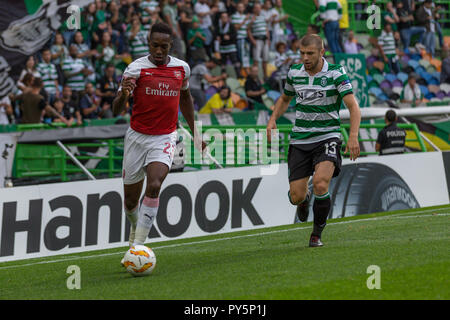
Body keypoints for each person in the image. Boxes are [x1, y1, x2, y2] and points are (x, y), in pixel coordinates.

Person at [112, 23, 205, 264]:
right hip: (136, 137)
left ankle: (137, 247)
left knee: (154, 184)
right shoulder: (135, 69)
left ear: (170, 46)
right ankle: (136, 232)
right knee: (130, 202)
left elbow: (185, 99)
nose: (159, 51)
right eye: (155, 46)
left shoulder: (181, 69)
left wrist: (195, 131)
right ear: (149, 44)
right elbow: (116, 108)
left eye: (164, 47)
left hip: (165, 136)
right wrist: (123, 93)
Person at [266, 34, 361, 247]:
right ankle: (304, 200)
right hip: (300, 140)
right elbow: (284, 99)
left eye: (310, 53)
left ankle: (316, 234)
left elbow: (353, 106)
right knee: (296, 196)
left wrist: (353, 136)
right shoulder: (294, 73)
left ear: (321, 52)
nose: (305, 58)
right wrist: (272, 119)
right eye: (302, 53)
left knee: (320, 183)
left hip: (328, 136)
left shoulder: (336, 73)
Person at [248, 3, 270, 79]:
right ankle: (255, 76)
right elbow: (248, 30)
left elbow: (266, 28)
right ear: (254, 9)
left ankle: (265, 76)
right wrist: (252, 40)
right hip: (257, 39)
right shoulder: (251, 17)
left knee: (265, 59)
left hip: (264, 40)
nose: (258, 9)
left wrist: (268, 39)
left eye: (259, 8)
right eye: (256, 8)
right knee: (256, 59)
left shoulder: (263, 17)